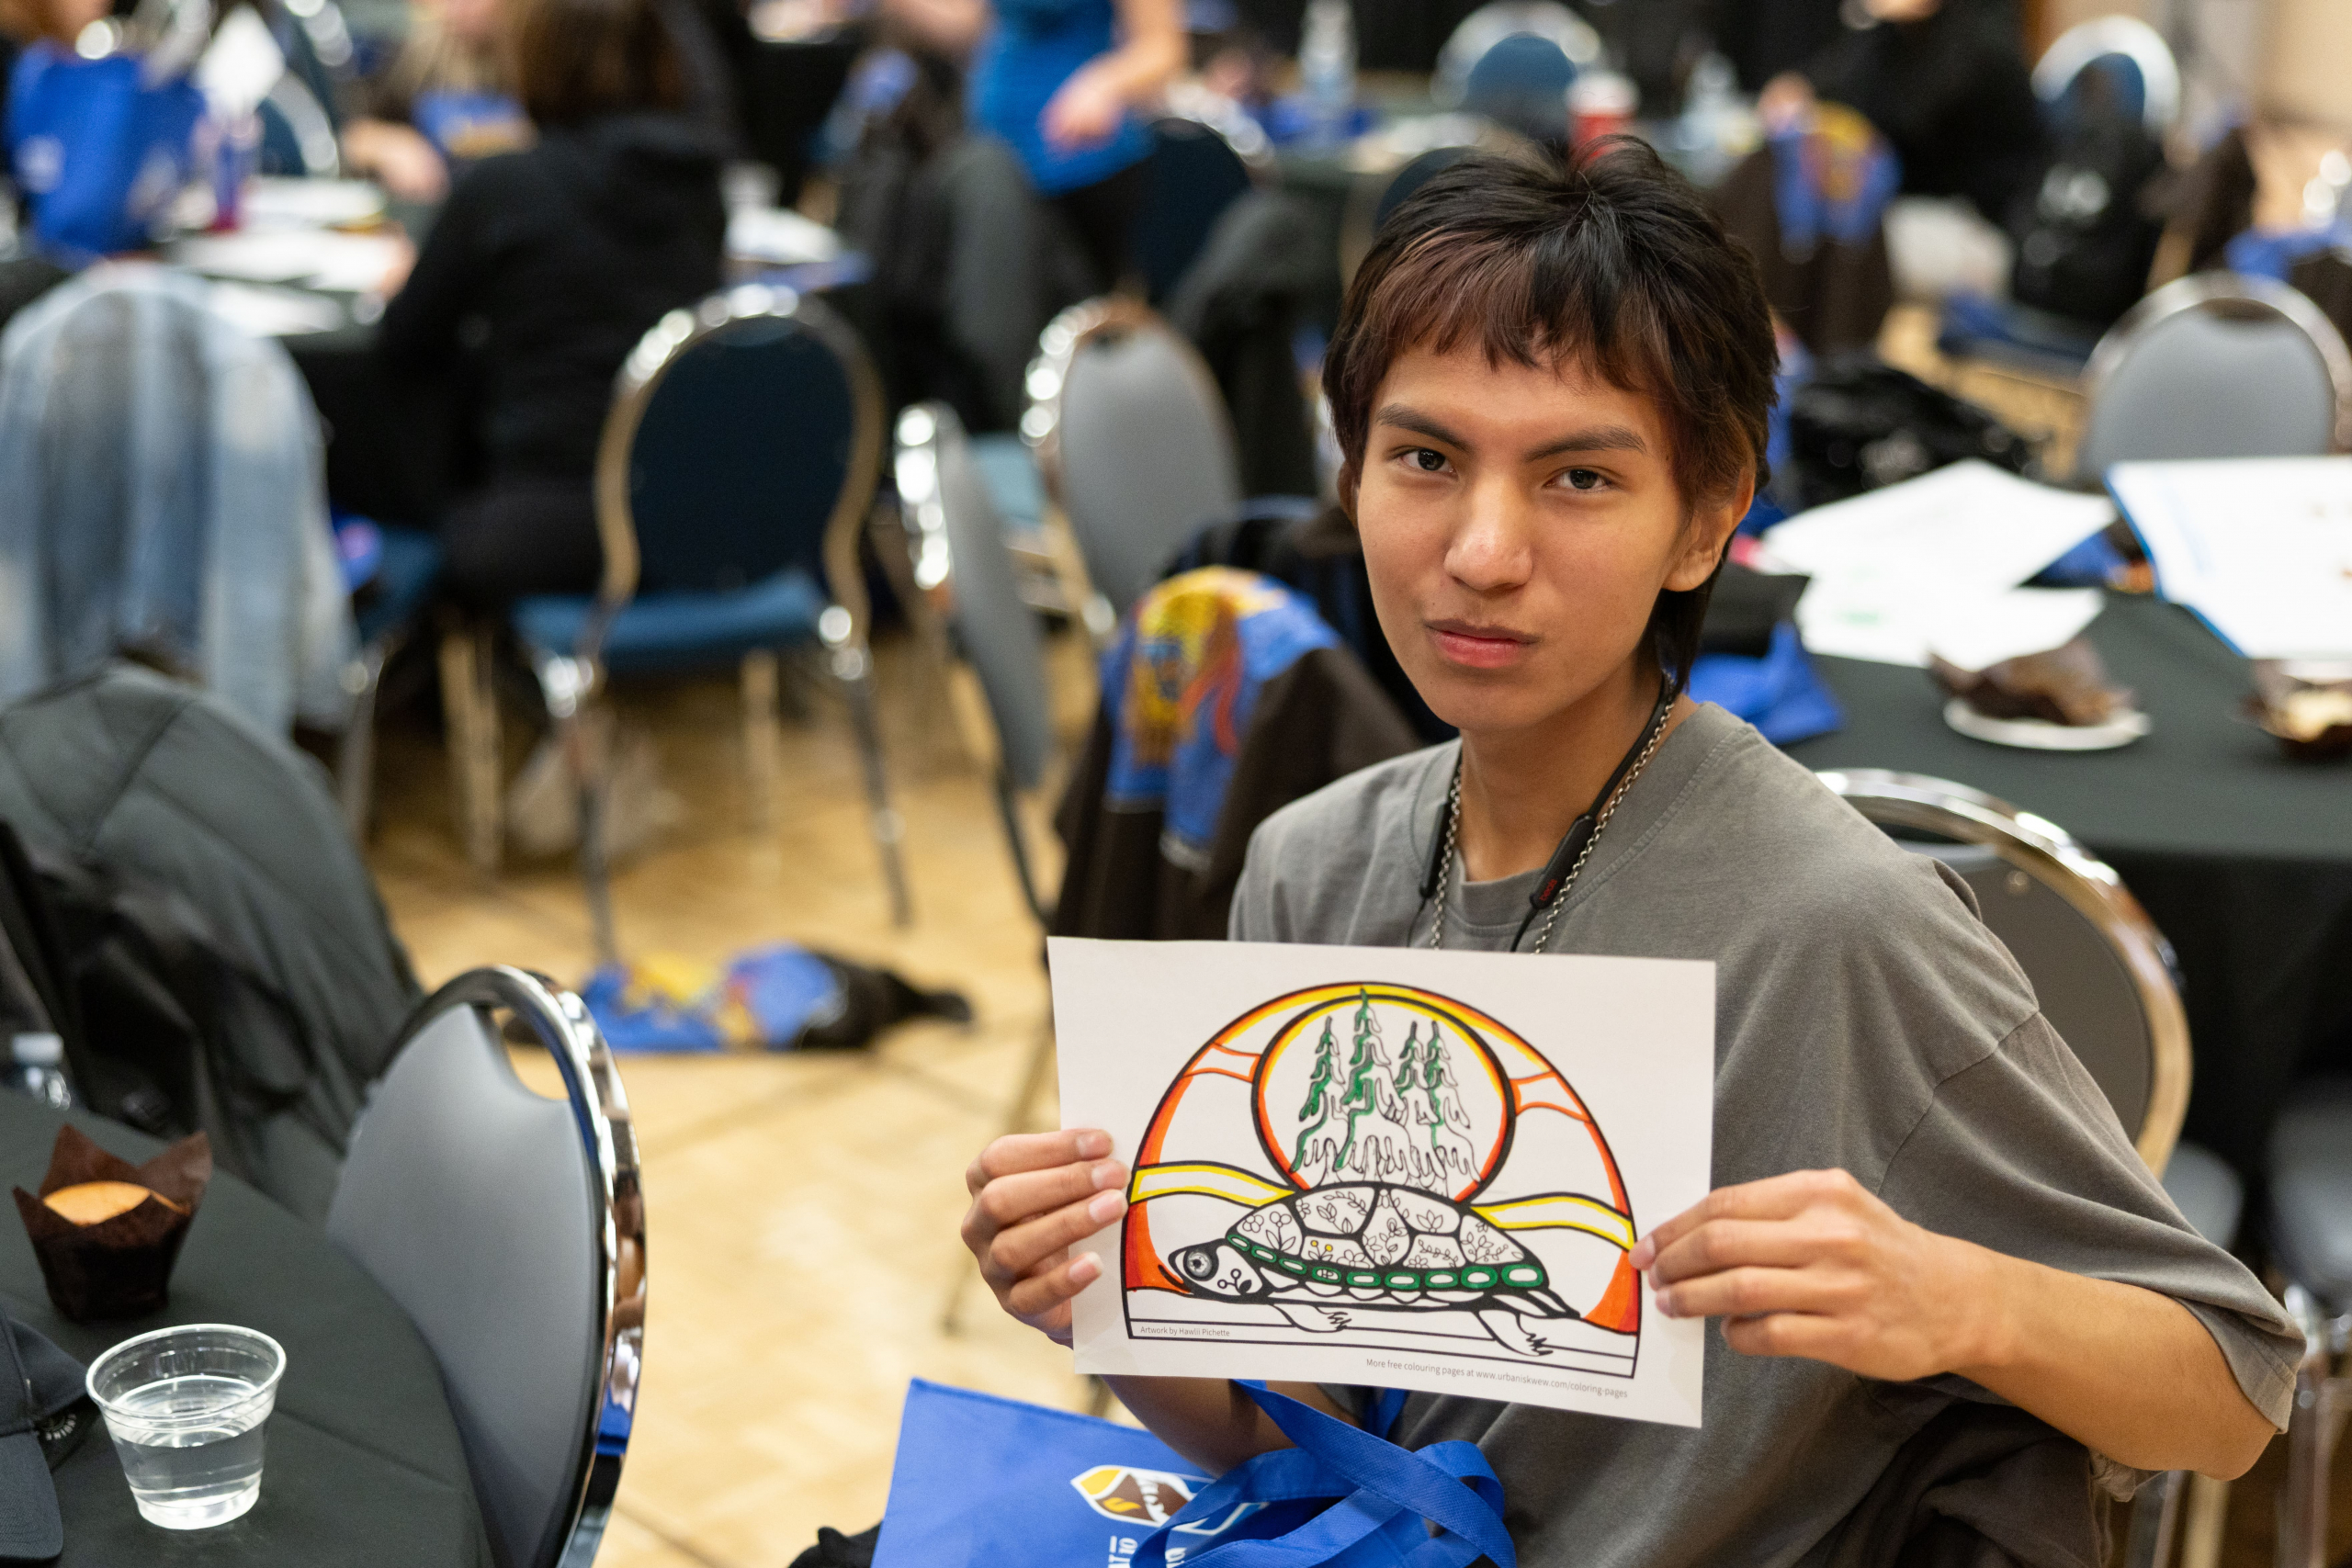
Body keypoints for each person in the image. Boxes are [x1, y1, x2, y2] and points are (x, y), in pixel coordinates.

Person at [959, 141, 2297, 1565]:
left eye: (1579, 476)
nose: (1480, 549)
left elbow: (2230, 1395)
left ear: (1707, 517)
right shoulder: (1311, 860)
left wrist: (1958, 1298)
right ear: (1348, 476)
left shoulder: (1837, 924)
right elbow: (1314, 1443)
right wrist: (1110, 1305)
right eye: (1424, 457)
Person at [376, 0, 724, 605]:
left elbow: (404, 342)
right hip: (683, 512)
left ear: (535, 57)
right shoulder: (700, 185)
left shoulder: (505, 186)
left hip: (538, 523)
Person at [887, 0, 1182, 294]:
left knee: (1072, 305)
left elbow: (1163, 48)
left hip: (1080, 163)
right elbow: (975, 26)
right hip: (997, 156)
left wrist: (1103, 85)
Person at [1758, 0, 2045, 226]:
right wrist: (1799, 89)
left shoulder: (1984, 42)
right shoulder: (1893, 36)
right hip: (1915, 208)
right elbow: (1837, 78)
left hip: (1976, 222)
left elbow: (1910, 123)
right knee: (1788, 204)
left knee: (1845, 230)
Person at [340, 0, 527, 202]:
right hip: (439, 209)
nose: (456, 7)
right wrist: (393, 145)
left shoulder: (542, 58)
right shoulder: (423, 55)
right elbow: (352, 134)